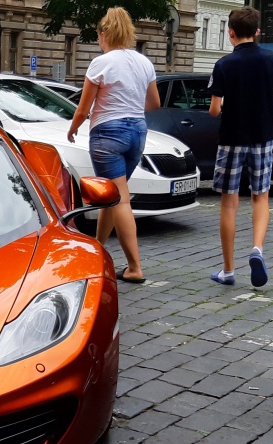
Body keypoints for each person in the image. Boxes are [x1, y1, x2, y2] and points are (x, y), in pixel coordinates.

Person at [68, 7, 161, 284]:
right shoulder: (144, 63)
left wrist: (73, 128)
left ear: (105, 33)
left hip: (108, 132)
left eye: (99, 34)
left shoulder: (101, 63)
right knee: (111, 194)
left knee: (119, 197)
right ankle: (99, 247)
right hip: (137, 132)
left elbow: (83, 109)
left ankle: (134, 267)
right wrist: (131, 109)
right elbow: (154, 103)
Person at [208, 7, 273, 287]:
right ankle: (257, 249)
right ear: (257, 32)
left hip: (232, 138)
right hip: (262, 138)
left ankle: (228, 270)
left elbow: (215, 109)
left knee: (229, 204)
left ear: (230, 32)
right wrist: (269, 102)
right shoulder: (271, 60)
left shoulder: (224, 64)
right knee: (261, 197)